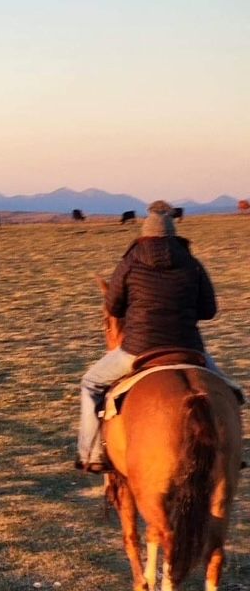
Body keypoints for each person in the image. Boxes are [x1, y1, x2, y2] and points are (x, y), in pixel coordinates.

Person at [76, 200, 231, 472]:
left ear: (144, 235)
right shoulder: (193, 263)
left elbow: (113, 307)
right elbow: (209, 311)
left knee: (90, 384)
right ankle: (229, 454)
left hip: (139, 348)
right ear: (174, 235)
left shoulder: (130, 262)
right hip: (188, 347)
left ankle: (91, 454)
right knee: (229, 391)